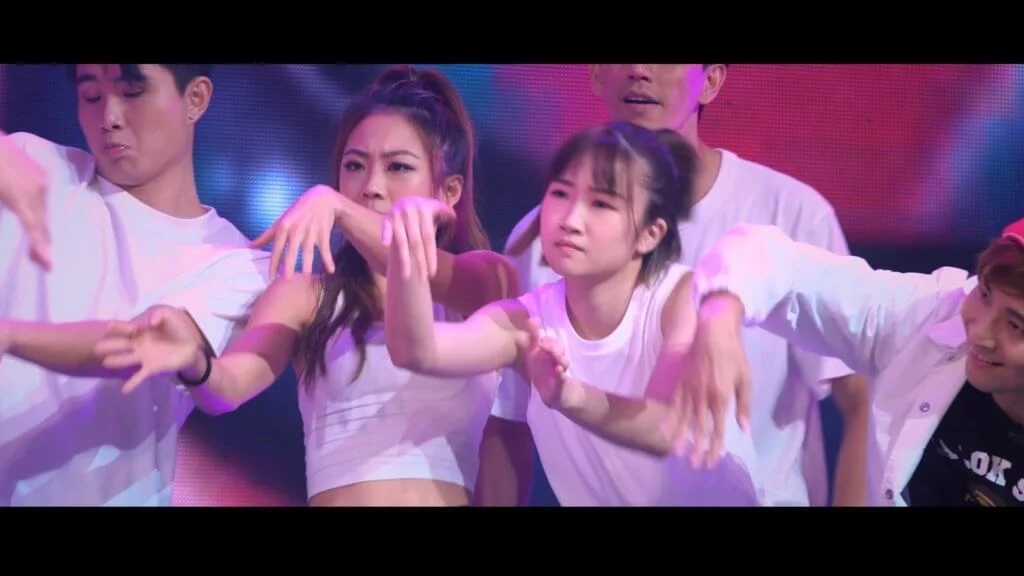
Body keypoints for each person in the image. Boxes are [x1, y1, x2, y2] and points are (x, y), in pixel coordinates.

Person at [94, 65, 531, 507]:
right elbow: (227, 386)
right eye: (354, 166)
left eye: (398, 167)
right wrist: (195, 362)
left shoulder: (485, 282)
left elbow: (509, 449)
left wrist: (336, 207)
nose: (371, 187)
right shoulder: (306, 297)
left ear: (449, 191)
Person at [503, 64, 870, 506]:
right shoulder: (548, 241)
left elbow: (860, 400)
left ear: (711, 80)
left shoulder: (792, 215)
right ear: (597, 73)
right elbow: (506, 418)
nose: (639, 70)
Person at [381, 120, 766, 506]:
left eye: (601, 204)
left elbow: (666, 428)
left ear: (650, 233)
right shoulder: (526, 322)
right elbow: (417, 351)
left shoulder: (680, 296)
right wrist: (407, 241)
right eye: (561, 193)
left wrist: (569, 395)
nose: (570, 219)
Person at [0, 64, 270, 506]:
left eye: (131, 92)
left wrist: (10, 337)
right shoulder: (35, 165)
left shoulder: (236, 264)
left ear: (196, 99)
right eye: (91, 96)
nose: (109, 117)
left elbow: (137, 345)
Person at [682, 217, 1024, 506]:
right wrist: (720, 315)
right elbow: (771, 258)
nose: (980, 334)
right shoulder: (930, 311)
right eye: (984, 294)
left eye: (1014, 325)